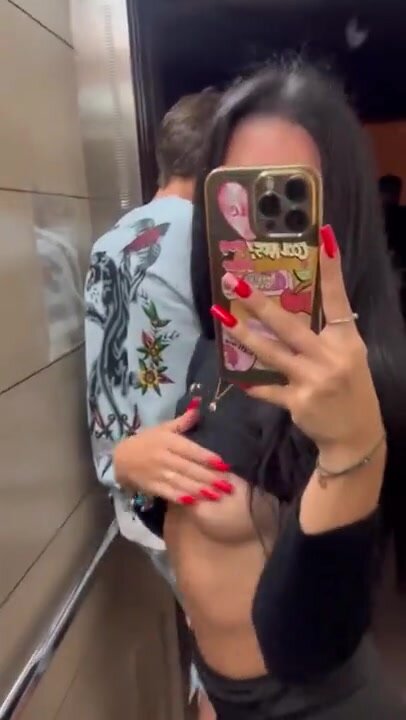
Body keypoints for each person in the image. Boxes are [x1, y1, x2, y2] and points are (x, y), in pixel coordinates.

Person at [113, 62, 406, 719]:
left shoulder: (362, 385)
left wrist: (352, 452)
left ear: (338, 213)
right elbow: (193, 517)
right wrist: (134, 466)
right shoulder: (220, 344)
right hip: (221, 695)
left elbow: (308, 638)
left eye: (287, 198)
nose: (258, 231)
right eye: (237, 195)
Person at [84, 89, 220, 720]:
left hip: (133, 490)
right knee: (237, 652)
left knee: (212, 638)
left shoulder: (108, 243)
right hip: (198, 483)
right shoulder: (214, 242)